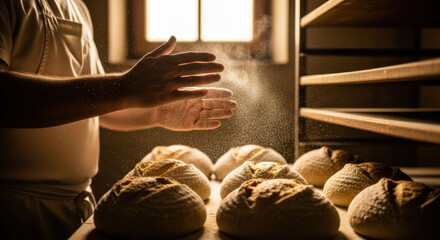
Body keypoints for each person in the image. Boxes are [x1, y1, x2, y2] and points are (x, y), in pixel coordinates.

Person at [0, 0, 237, 239]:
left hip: (76, 203)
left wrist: (156, 111)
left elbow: (96, 104)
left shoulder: (75, 6)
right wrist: (124, 87)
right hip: (14, 210)